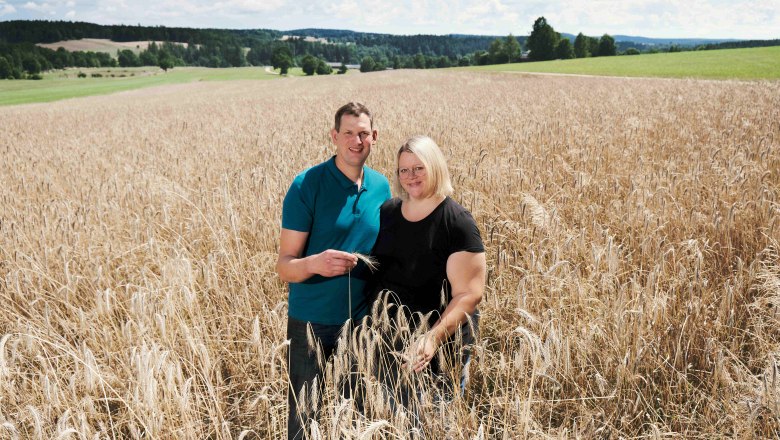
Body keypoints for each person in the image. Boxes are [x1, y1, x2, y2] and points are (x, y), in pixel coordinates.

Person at [276, 102, 391, 440]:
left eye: (364, 133)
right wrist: (315, 263)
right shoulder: (306, 185)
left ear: (374, 136)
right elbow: (284, 266)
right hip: (310, 324)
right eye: (349, 133)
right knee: (303, 419)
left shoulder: (381, 187)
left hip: (359, 324)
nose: (357, 141)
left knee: (354, 417)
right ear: (334, 136)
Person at [368, 135, 486, 409]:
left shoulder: (457, 223)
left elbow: (469, 294)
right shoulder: (387, 213)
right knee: (397, 417)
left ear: (435, 167)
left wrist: (432, 338)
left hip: (441, 347)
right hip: (392, 344)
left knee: (435, 420)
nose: (411, 176)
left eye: (419, 168)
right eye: (404, 170)